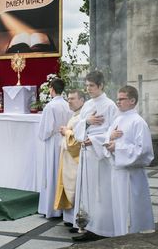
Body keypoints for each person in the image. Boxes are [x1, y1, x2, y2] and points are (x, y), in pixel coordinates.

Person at [72, 71, 118, 241]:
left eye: (91, 85)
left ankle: (100, 228)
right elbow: (78, 125)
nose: (88, 88)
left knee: (99, 192)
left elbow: (114, 131)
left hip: (100, 156)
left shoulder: (110, 105)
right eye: (87, 85)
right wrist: (87, 122)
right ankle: (85, 224)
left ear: (101, 85)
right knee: (86, 191)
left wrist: (95, 139)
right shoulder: (88, 104)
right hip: (86, 153)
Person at [104, 85, 154, 236]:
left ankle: (133, 238)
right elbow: (107, 140)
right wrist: (110, 139)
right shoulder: (118, 119)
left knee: (132, 211)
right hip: (118, 173)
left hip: (132, 175)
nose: (117, 102)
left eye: (121, 99)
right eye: (117, 99)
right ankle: (120, 235)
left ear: (132, 100)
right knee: (119, 210)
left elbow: (143, 151)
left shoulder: (138, 122)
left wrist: (117, 148)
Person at [37, 78, 72, 218]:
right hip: (65, 139)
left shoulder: (51, 106)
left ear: (52, 89)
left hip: (53, 142)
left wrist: (43, 136)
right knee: (62, 172)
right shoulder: (67, 104)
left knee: (52, 173)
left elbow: (46, 130)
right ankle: (63, 208)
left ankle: (52, 208)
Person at [55, 89, 86, 226]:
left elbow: (78, 141)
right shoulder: (75, 115)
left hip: (75, 159)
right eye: (68, 99)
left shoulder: (82, 117)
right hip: (68, 159)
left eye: (73, 98)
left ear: (82, 100)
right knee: (67, 186)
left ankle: (76, 220)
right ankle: (69, 219)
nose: (69, 101)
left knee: (75, 189)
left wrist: (65, 131)